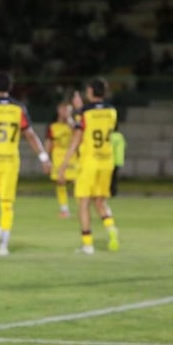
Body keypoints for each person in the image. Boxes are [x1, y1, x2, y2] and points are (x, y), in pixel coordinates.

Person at [0, 72, 51, 256]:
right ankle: (4, 246)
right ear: (10, 88)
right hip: (10, 161)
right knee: (7, 204)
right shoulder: (19, 109)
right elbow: (30, 135)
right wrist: (43, 157)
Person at [57, 77, 120, 254]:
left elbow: (77, 138)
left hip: (89, 162)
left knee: (83, 202)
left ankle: (87, 244)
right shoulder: (112, 111)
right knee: (100, 201)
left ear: (91, 91)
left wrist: (63, 165)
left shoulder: (84, 113)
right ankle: (111, 229)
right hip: (106, 161)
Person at [45, 100, 77, 218]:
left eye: (68, 110)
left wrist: (71, 122)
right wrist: (46, 158)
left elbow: (79, 136)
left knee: (77, 182)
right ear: (59, 110)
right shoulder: (53, 126)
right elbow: (49, 142)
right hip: (58, 157)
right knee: (60, 182)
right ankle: (64, 209)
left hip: (72, 157)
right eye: (63, 109)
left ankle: (82, 208)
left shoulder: (74, 125)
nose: (65, 112)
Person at [110, 128, 126, 197]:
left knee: (109, 178)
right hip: (119, 160)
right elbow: (124, 146)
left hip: (111, 159)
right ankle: (114, 192)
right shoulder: (120, 136)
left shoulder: (110, 136)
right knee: (114, 177)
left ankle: (109, 192)